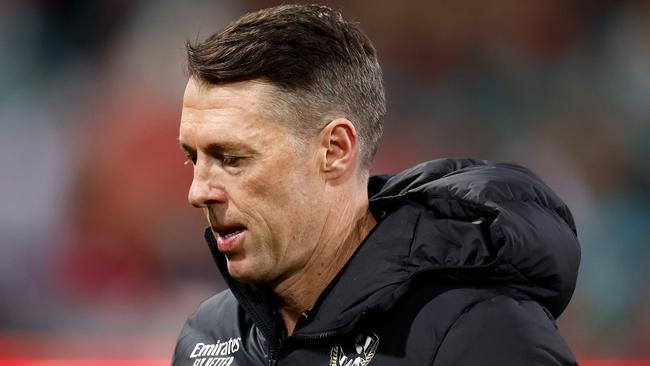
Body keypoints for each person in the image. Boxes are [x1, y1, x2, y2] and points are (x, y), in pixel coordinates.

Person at [173, 4, 580, 366]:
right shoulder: (207, 338)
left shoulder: (476, 333)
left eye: (232, 159)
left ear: (334, 151)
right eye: (194, 157)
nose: (198, 192)